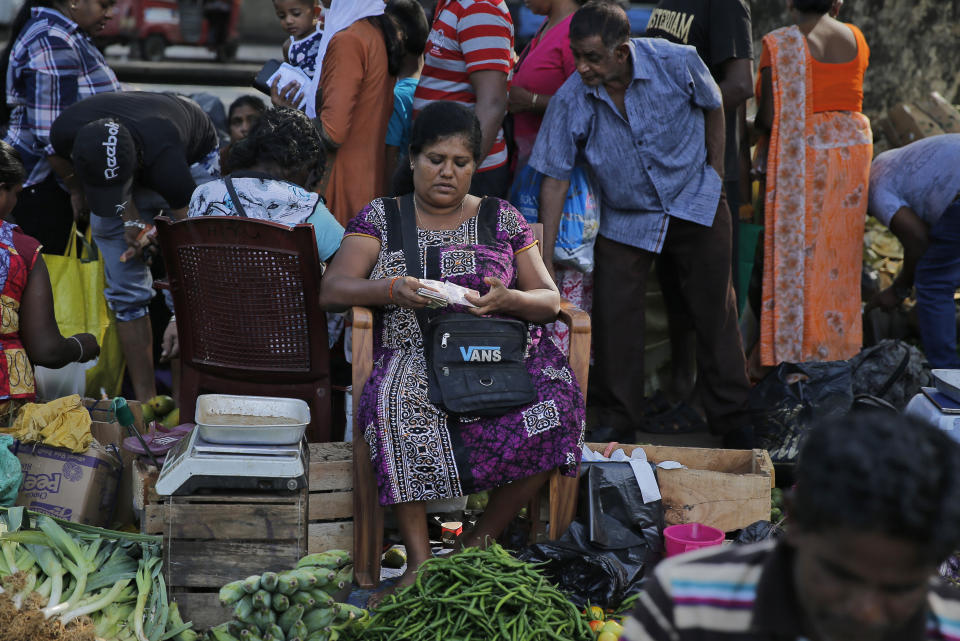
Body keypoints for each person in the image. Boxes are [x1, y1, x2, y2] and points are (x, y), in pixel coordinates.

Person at [319, 101, 584, 599]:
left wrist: (512, 299)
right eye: (436, 159)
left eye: (461, 163)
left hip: (497, 355)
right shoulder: (382, 217)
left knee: (560, 406)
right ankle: (419, 562)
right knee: (396, 402)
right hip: (412, 349)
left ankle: (475, 545)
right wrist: (390, 289)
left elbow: (550, 300)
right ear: (414, 158)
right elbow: (333, 288)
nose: (448, 172)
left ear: (475, 167)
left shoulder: (501, 218)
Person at [530, 1, 752, 447]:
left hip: (694, 200)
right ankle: (617, 420)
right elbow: (553, 180)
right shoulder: (573, 96)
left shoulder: (678, 61)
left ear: (622, 51)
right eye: (577, 55)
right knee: (615, 314)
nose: (582, 66)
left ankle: (732, 420)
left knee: (715, 311)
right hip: (626, 215)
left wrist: (712, 173)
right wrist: (547, 261)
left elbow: (715, 105)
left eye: (592, 57)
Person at [621, 411, 960, 641]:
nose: (864, 612)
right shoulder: (684, 601)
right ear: (793, 520)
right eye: (839, 575)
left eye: (898, 590)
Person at [47, 91, 220, 402]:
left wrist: (159, 237)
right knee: (126, 292)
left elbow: (195, 248)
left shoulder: (169, 167)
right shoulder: (66, 130)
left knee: (184, 293)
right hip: (126, 159)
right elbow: (55, 157)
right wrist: (79, 192)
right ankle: (144, 407)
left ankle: (183, 406)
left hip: (192, 157)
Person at [645, 0, 754, 406]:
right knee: (675, 291)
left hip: (704, 170)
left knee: (711, 301)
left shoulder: (724, 3)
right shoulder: (666, 4)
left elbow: (741, 85)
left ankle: (720, 405)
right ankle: (682, 390)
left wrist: (676, 113)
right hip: (666, 171)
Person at [753, 0, 871, 368]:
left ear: (790, 3)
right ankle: (834, 355)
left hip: (801, 158)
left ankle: (793, 357)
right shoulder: (856, 37)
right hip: (851, 156)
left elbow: (770, 118)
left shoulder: (779, 43)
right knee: (837, 261)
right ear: (837, 2)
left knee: (794, 258)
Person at [0, 0, 121, 255]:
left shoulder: (67, 34)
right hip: (46, 185)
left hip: (53, 183)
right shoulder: (52, 40)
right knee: (47, 277)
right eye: (105, 4)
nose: (110, 14)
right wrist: (75, 188)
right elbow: (53, 133)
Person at [274, 0, 403, 227]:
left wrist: (288, 113)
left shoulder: (348, 40)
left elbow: (331, 133)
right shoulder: (376, 29)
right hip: (370, 178)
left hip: (341, 183)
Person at [507, 0, 586, 355]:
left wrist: (533, 99)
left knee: (554, 275)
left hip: (561, 186)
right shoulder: (544, 27)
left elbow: (586, 103)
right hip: (530, 179)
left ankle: (561, 375)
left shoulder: (574, 32)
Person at [0, 141, 100, 423]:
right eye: (16, 193)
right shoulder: (20, 250)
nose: (15, 203)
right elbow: (46, 350)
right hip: (5, 400)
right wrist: (81, 346)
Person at [865, 134, 960, 369]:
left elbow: (918, 240)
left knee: (934, 282)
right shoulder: (886, 162)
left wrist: (899, 289)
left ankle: (948, 379)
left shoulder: (875, 188)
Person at [412, 0, 515, 198]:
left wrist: (462, 171)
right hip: (446, 170)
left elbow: (493, 103)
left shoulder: (480, 7)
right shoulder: (456, 4)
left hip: (466, 177)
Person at [383, 0, 430, 195]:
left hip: (401, 193)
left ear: (397, 37)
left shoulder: (397, 96)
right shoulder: (431, 86)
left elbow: (390, 157)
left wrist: (387, 199)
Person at [275, 0, 323, 79]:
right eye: (282, 16)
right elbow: (289, 77)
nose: (288, 21)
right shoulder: (288, 46)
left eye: (296, 14)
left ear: (315, 12)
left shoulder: (324, 32)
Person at [220, 95, 267, 174]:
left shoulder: (275, 158)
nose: (244, 128)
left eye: (252, 120)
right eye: (237, 122)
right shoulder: (219, 160)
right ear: (229, 129)